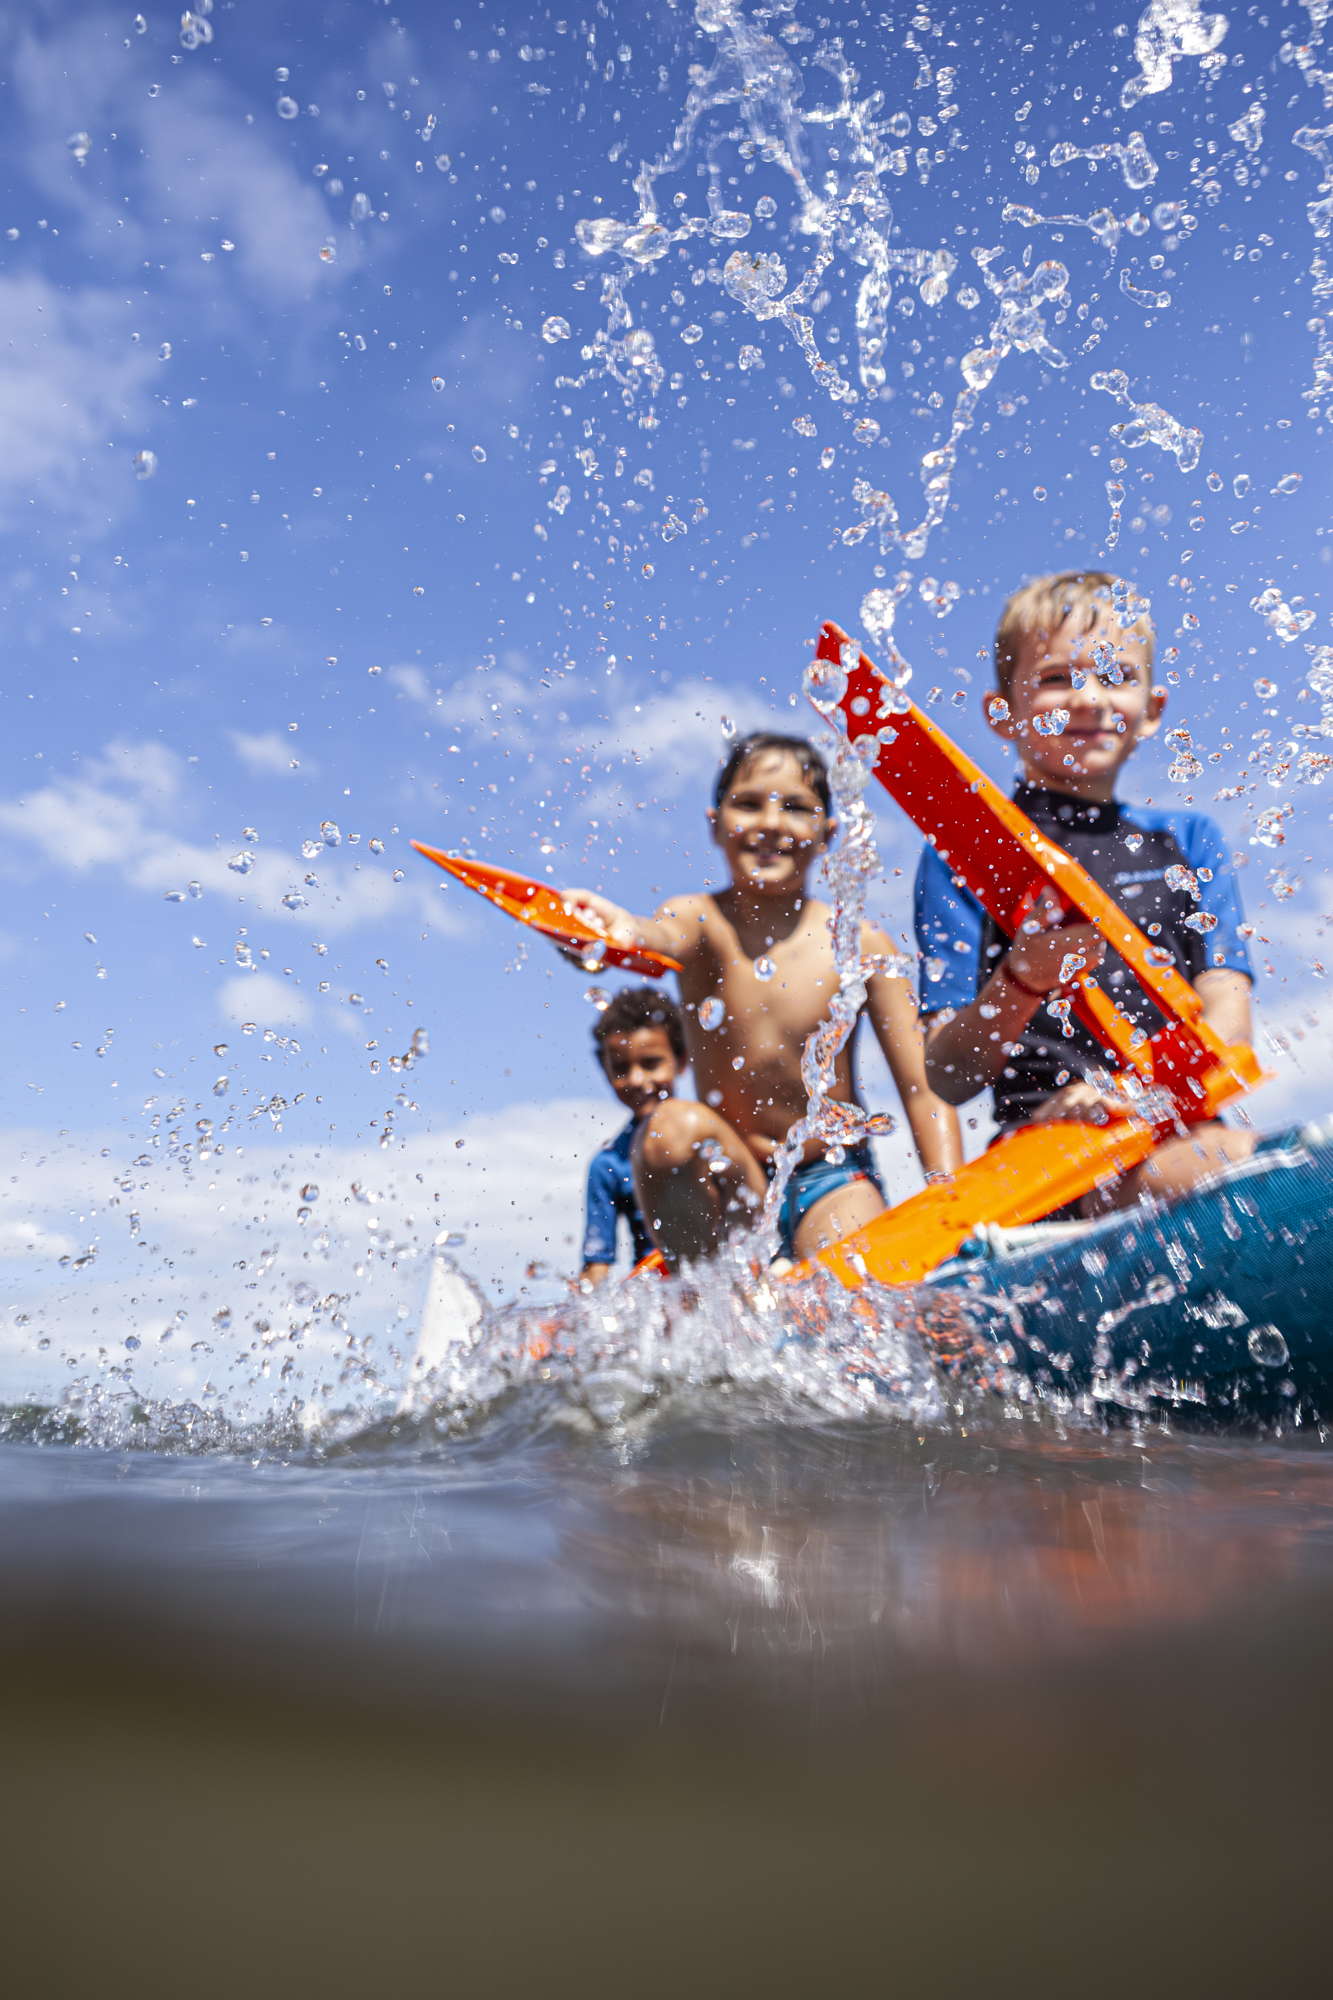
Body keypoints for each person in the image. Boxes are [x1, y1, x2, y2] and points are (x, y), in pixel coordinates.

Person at [915, 569, 1256, 1211]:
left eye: (1116, 676)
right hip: (1047, 1152)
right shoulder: (962, 858)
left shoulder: (1191, 839)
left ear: (1153, 710)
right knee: (1241, 1170)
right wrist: (1019, 981)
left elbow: (1229, 1023)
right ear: (1002, 713)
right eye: (1055, 678)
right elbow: (948, 1074)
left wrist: (1143, 1096)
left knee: (1245, 1163)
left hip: (1183, 1127)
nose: (1089, 697)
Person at [564, 732, 962, 1270]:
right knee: (667, 1131)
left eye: (795, 807)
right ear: (715, 823)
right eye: (748, 804)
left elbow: (922, 1085)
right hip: (731, 1184)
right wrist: (614, 932)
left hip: (833, 1176)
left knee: (854, 1285)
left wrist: (949, 1201)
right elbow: (650, 935)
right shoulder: (700, 922)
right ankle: (709, 1304)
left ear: (828, 833)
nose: (771, 823)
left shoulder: (861, 942)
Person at [580, 987, 688, 1289]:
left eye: (651, 1063)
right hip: (659, 1291)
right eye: (621, 1068)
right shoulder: (608, 1166)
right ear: (605, 1070)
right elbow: (596, 1269)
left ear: (682, 1060)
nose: (637, 1079)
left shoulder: (717, 1133)